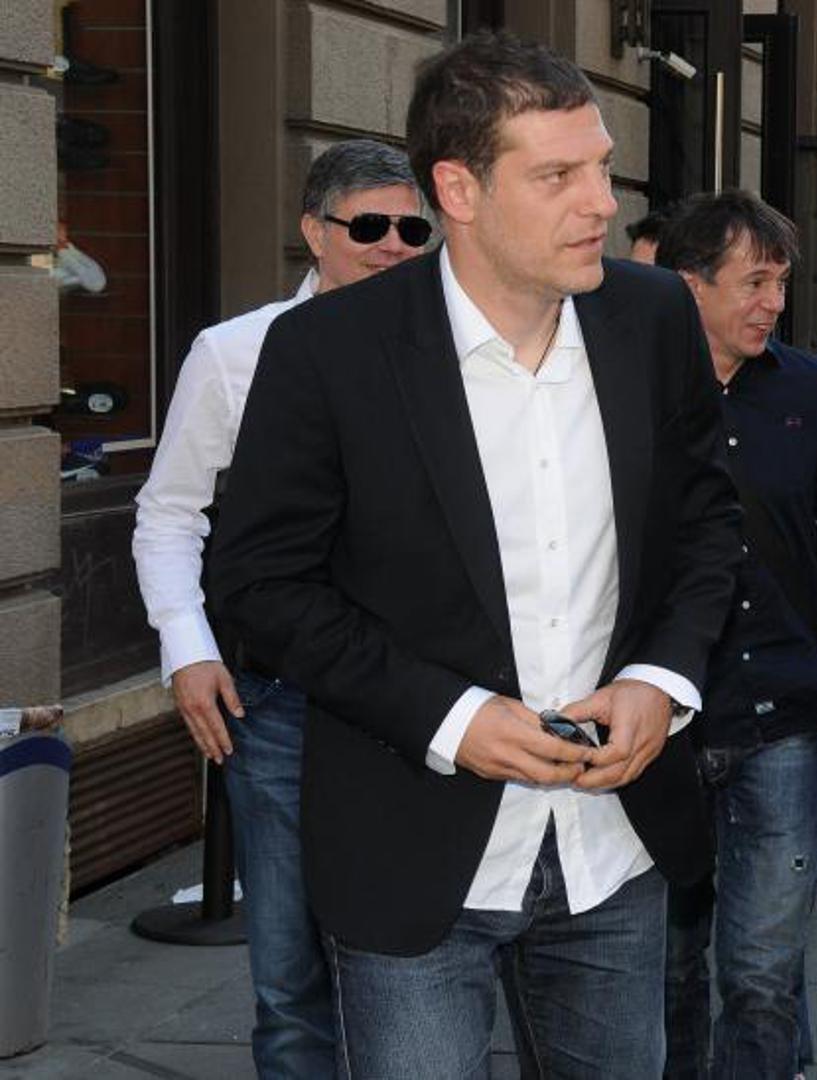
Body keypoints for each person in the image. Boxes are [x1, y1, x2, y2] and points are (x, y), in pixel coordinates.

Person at [206, 32, 741, 1078]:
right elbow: (259, 585)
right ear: (458, 188)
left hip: (614, 849)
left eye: (601, 168)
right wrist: (452, 719)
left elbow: (708, 526)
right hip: (412, 853)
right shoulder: (328, 352)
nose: (600, 204)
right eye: (557, 176)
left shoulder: (653, 319)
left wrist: (661, 679)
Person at [131, 139, 428, 1077]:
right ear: (314, 230)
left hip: (423, 692)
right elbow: (169, 511)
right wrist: (188, 649)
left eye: (412, 229)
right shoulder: (236, 352)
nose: (393, 245)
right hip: (280, 700)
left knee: (422, 953)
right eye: (369, 226)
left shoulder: (456, 349)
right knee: (292, 974)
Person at [657, 190, 817, 1080]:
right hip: (661, 728)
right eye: (753, 282)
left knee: (761, 970)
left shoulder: (807, 389)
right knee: (668, 966)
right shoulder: (627, 386)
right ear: (691, 285)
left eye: (781, 284)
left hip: (782, 718)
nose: (772, 303)